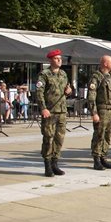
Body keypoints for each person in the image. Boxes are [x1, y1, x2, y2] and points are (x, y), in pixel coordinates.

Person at [36, 49, 72, 177]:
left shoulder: (63, 74)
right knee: (48, 138)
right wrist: (43, 108)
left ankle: (55, 162)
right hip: (50, 111)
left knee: (59, 138)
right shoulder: (44, 74)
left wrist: (69, 91)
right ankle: (47, 164)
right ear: (51, 60)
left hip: (62, 110)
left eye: (60, 58)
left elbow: (66, 91)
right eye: (56, 58)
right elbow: (39, 92)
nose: (59, 60)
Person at [88, 55, 111, 170]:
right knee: (99, 135)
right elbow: (91, 97)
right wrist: (94, 113)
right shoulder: (96, 77)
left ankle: (103, 157)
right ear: (105, 64)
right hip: (102, 111)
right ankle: (96, 159)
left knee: (108, 136)